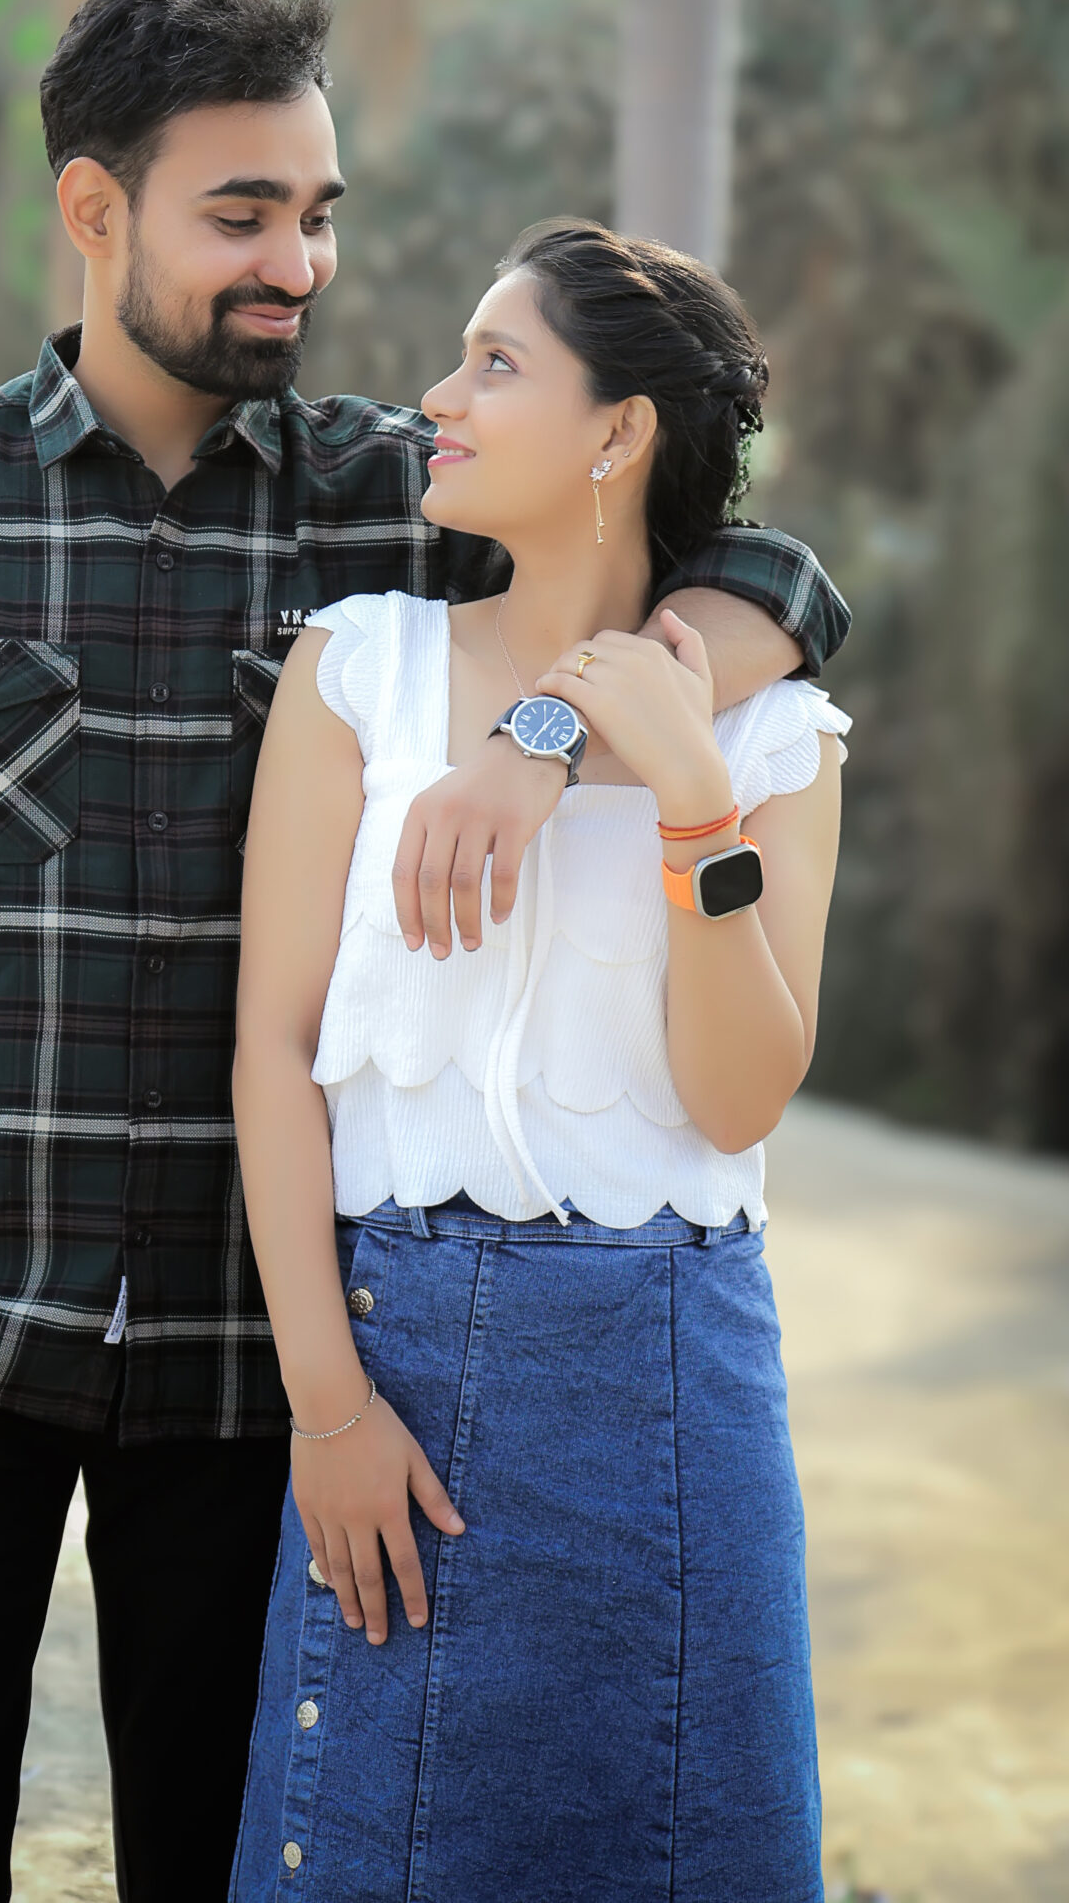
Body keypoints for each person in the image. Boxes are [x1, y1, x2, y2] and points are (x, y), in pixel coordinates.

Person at [0, 0, 848, 1903]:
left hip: (253, 1352)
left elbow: (759, 574)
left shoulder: (400, 500)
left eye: (317, 214)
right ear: (95, 208)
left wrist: (549, 739)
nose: (295, 264)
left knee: (218, 1859)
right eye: (242, 215)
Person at [230, 217, 848, 1902]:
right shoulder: (360, 669)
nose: (437, 397)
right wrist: (327, 1408)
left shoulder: (772, 729)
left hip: (673, 1385)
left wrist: (693, 801)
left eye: (495, 364)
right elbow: (274, 1053)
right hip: (396, 1379)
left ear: (618, 431)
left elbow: (739, 1098)